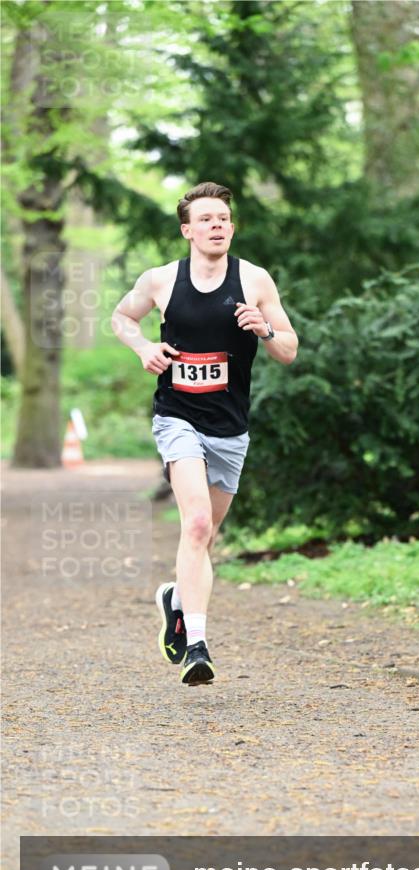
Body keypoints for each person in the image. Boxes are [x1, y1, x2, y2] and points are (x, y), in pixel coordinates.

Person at [111, 181, 298, 685]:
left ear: (232, 228)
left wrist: (264, 329)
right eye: (206, 219)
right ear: (187, 230)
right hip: (177, 417)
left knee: (206, 536)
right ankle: (196, 645)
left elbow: (289, 348)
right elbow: (121, 317)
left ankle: (175, 597)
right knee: (194, 524)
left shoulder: (255, 280)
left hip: (230, 429)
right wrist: (143, 348)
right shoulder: (161, 281)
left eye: (223, 218)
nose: (216, 225)